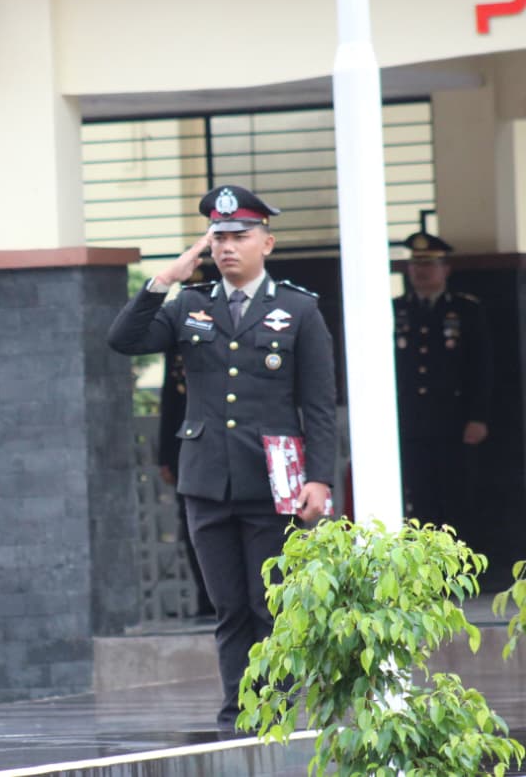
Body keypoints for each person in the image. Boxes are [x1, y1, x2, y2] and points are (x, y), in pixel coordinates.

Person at [107, 184, 336, 734]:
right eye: (218, 237)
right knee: (229, 607)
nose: (227, 247)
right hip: (206, 478)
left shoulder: (298, 309)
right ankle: (238, 711)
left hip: (273, 479)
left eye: (240, 236)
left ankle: (274, 708)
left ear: (267, 242)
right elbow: (124, 339)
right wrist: (164, 280)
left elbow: (318, 405)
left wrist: (320, 480)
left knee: (268, 604)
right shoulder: (190, 305)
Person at [393, 231, 493, 528]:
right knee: (415, 495)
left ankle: (457, 567)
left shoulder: (465, 310)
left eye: (430, 265)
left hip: (454, 421)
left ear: (446, 268)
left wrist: (478, 417)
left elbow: (481, 367)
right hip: (408, 421)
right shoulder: (396, 309)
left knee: (455, 495)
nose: (421, 271)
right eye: (416, 265)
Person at [157, 350, 214, 620]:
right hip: (187, 449)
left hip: (234, 445)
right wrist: (165, 456)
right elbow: (170, 399)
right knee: (195, 527)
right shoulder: (182, 331)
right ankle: (207, 599)